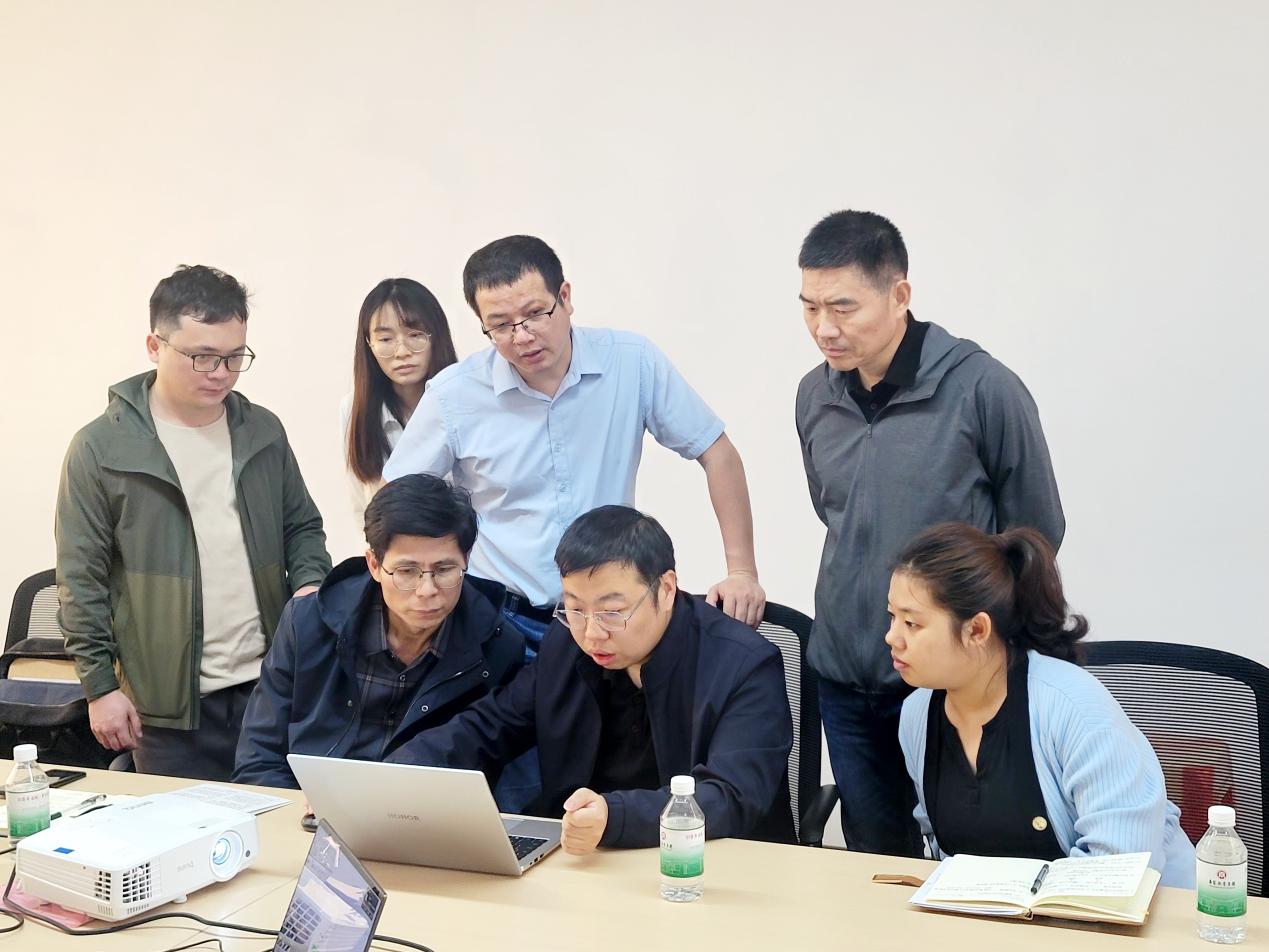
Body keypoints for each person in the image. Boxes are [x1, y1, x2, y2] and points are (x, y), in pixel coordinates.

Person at [795, 210, 1064, 855]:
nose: (824, 328)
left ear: (900, 295)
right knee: (874, 860)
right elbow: (834, 515)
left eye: (843, 307)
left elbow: (1035, 533)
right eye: (809, 307)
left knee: (970, 860)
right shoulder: (813, 396)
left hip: (951, 682)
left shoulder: (982, 389)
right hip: (844, 675)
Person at [383, 234, 766, 658]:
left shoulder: (630, 362)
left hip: (610, 619)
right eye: (501, 325)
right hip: (500, 619)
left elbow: (717, 453)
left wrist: (742, 571)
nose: (522, 336)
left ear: (564, 297)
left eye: (535, 314)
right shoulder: (455, 394)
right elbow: (395, 500)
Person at [55, 264, 331, 781]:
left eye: (234, 357)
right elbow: (80, 579)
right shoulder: (101, 448)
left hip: (271, 688)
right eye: (202, 356)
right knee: (180, 828)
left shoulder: (262, 431)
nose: (220, 373)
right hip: (164, 709)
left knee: (281, 825)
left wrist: (311, 587)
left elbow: (302, 528)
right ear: (154, 346)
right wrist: (100, 688)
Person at [386, 506, 794, 854]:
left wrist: (613, 816)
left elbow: (730, 796)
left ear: (666, 589)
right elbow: (489, 725)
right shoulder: (567, 643)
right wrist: (394, 775)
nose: (592, 633)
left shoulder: (744, 665)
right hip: (586, 861)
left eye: (611, 612)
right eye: (575, 609)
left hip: (709, 865)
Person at [889, 522, 1194, 887]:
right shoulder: (917, 715)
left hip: (1144, 913)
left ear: (977, 630)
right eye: (892, 617)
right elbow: (947, 857)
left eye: (912, 623)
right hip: (1008, 916)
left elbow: (1118, 870)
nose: (892, 637)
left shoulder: (1074, 707)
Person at [234, 474, 524, 788]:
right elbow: (259, 760)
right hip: (309, 806)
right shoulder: (306, 624)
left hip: (426, 811)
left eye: (444, 570)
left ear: (466, 560)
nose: (427, 590)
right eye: (407, 571)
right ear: (374, 564)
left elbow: (494, 776)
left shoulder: (497, 644)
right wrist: (304, 808)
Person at [340, 278, 458, 527]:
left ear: (436, 337)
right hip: (391, 550)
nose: (402, 351)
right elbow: (362, 508)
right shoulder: (354, 409)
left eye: (415, 335)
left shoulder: (463, 401)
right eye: (385, 339)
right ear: (369, 344)